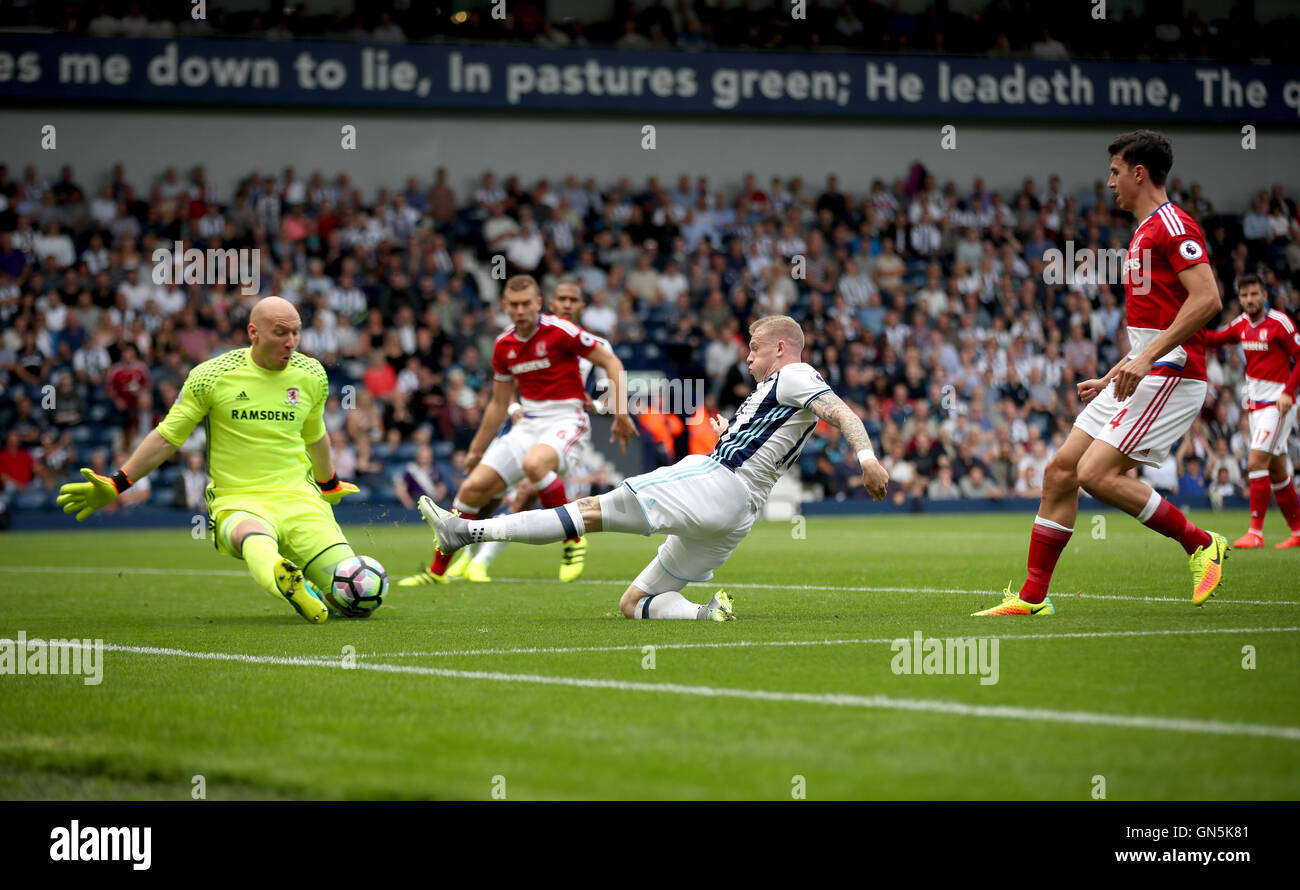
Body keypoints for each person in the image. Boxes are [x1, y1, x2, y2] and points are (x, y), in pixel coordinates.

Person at [418, 315, 890, 620]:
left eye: (754, 347)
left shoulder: (795, 374)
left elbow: (841, 412)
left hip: (717, 482)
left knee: (588, 511)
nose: (747, 355)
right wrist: (731, 431)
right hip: (735, 517)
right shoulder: (779, 389)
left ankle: (464, 534)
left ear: (783, 348)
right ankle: (706, 615)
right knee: (632, 604)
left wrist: (867, 460)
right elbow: (771, 444)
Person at [974, 129, 1229, 617]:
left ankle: (1201, 543)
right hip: (1143, 370)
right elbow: (1150, 328)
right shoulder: (1143, 231)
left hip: (1173, 374)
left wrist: (1142, 360)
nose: (1108, 182)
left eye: (1115, 172)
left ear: (1139, 173)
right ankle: (1032, 598)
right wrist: (1115, 372)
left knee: (1095, 475)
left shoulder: (1173, 226)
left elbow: (1208, 300)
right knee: (1060, 471)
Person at [57, 296, 362, 623]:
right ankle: (284, 578)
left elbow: (315, 435)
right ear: (253, 332)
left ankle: (303, 582)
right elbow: (167, 436)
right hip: (239, 500)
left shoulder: (311, 373)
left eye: (296, 333)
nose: (290, 343)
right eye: (280, 333)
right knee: (254, 537)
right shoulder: (212, 375)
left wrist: (327, 482)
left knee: (360, 591)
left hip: (301, 500)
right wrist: (119, 482)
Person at [397, 275, 635, 586]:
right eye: (514, 305)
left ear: (538, 304)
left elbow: (611, 362)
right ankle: (438, 572)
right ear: (505, 306)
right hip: (527, 425)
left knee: (533, 469)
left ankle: (573, 539)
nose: (521, 310)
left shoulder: (564, 333)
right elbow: (498, 404)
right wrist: (476, 450)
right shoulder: (504, 345)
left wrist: (619, 411)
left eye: (526, 304)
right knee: (471, 491)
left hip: (566, 421)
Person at [445, 280, 612, 583]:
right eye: (560, 298)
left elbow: (610, 398)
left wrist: (597, 407)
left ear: (581, 306)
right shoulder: (527, 341)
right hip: (529, 425)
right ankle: (466, 556)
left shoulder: (594, 347)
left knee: (523, 493)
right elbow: (506, 392)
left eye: (572, 299)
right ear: (549, 304)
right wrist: (512, 410)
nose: (565, 304)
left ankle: (480, 561)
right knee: (490, 495)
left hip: (569, 430)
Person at [1200, 273, 1300, 548]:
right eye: (1244, 296)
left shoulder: (1281, 323)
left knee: (1255, 461)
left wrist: (1288, 392)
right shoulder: (1241, 324)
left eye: (1254, 294)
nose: (1250, 300)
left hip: (1278, 405)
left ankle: (1255, 532)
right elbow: (1216, 339)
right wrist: (1188, 329)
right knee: (1278, 470)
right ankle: (1298, 531)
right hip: (1256, 407)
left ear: (1264, 295)